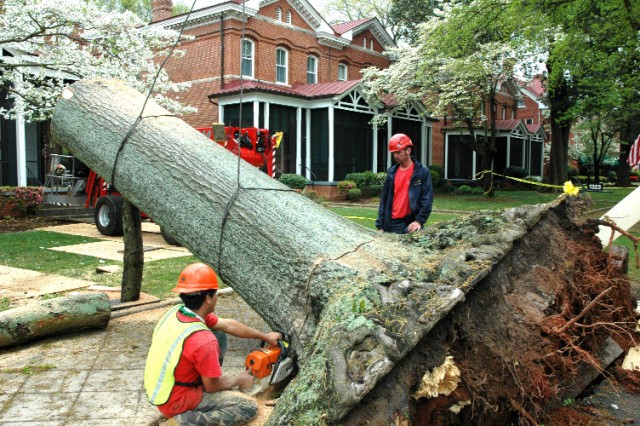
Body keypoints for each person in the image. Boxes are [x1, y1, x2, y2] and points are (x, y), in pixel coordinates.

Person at [144, 262, 281, 426]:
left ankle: (207, 375)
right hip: (176, 400)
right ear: (208, 298)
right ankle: (182, 422)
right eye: (215, 294)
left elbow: (228, 325)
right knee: (247, 407)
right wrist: (238, 379)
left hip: (161, 390)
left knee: (219, 331)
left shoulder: (176, 312)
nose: (217, 297)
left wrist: (265, 336)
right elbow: (212, 386)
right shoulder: (203, 340)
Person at [376, 133, 433, 234]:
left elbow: (427, 199)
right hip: (391, 223)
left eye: (399, 152)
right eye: (394, 153)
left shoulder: (422, 172)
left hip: (411, 223)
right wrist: (380, 225)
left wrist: (419, 221)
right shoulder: (391, 173)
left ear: (408, 150)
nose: (396, 156)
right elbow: (384, 200)